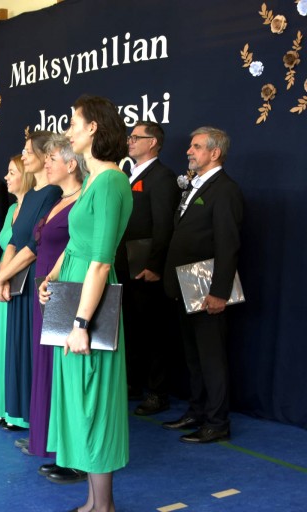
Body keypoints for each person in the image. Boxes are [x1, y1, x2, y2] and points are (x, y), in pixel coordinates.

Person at [39, 95, 132, 510]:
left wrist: (80, 323)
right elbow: (77, 243)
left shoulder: (110, 181)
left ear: (93, 127)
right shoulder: (94, 180)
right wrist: (53, 277)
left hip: (90, 303)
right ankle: (94, 503)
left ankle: (104, 506)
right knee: (79, 399)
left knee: (94, 401)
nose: (69, 131)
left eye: (74, 123)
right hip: (75, 292)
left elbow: (101, 260)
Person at [162, 127, 243, 444]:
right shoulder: (196, 185)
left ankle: (217, 422)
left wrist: (219, 292)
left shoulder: (225, 190)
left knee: (211, 357)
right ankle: (197, 411)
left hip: (206, 285)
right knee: (193, 356)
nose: (188, 151)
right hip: (185, 284)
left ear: (214, 152)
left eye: (196, 147)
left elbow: (228, 244)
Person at [0, 132, 61, 427]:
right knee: (20, 350)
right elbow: (13, 240)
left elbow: (34, 245)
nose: (23, 156)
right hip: (17, 278)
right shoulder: (31, 196)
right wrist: (1, 277)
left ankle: (39, 423)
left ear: (46, 156)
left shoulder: (52, 194)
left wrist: (2, 275)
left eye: (28, 151)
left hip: (35, 278)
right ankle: (24, 416)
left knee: (35, 353)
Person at [29, 135, 86, 481]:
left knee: (66, 372)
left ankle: (75, 456)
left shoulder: (82, 200)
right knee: (49, 369)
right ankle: (53, 444)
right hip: (48, 289)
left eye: (52, 159)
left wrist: (52, 278)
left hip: (66, 289)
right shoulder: (57, 199)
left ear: (71, 164)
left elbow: (79, 246)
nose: (45, 164)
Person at [116, 121, 180, 414]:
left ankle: (157, 392)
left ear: (152, 142)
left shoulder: (162, 177)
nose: (129, 141)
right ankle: (133, 383)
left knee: (154, 332)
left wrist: (155, 265)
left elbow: (164, 224)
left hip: (145, 268)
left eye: (135, 137)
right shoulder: (128, 175)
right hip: (124, 266)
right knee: (130, 327)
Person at [0, 156, 35, 431]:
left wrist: (4, 276)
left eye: (11, 172)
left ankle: (20, 413)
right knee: (4, 347)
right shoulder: (10, 210)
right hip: (5, 282)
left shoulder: (35, 207)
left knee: (19, 347)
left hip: (24, 283)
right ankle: (4, 407)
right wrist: (0, 278)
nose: (5, 177)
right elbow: (6, 246)